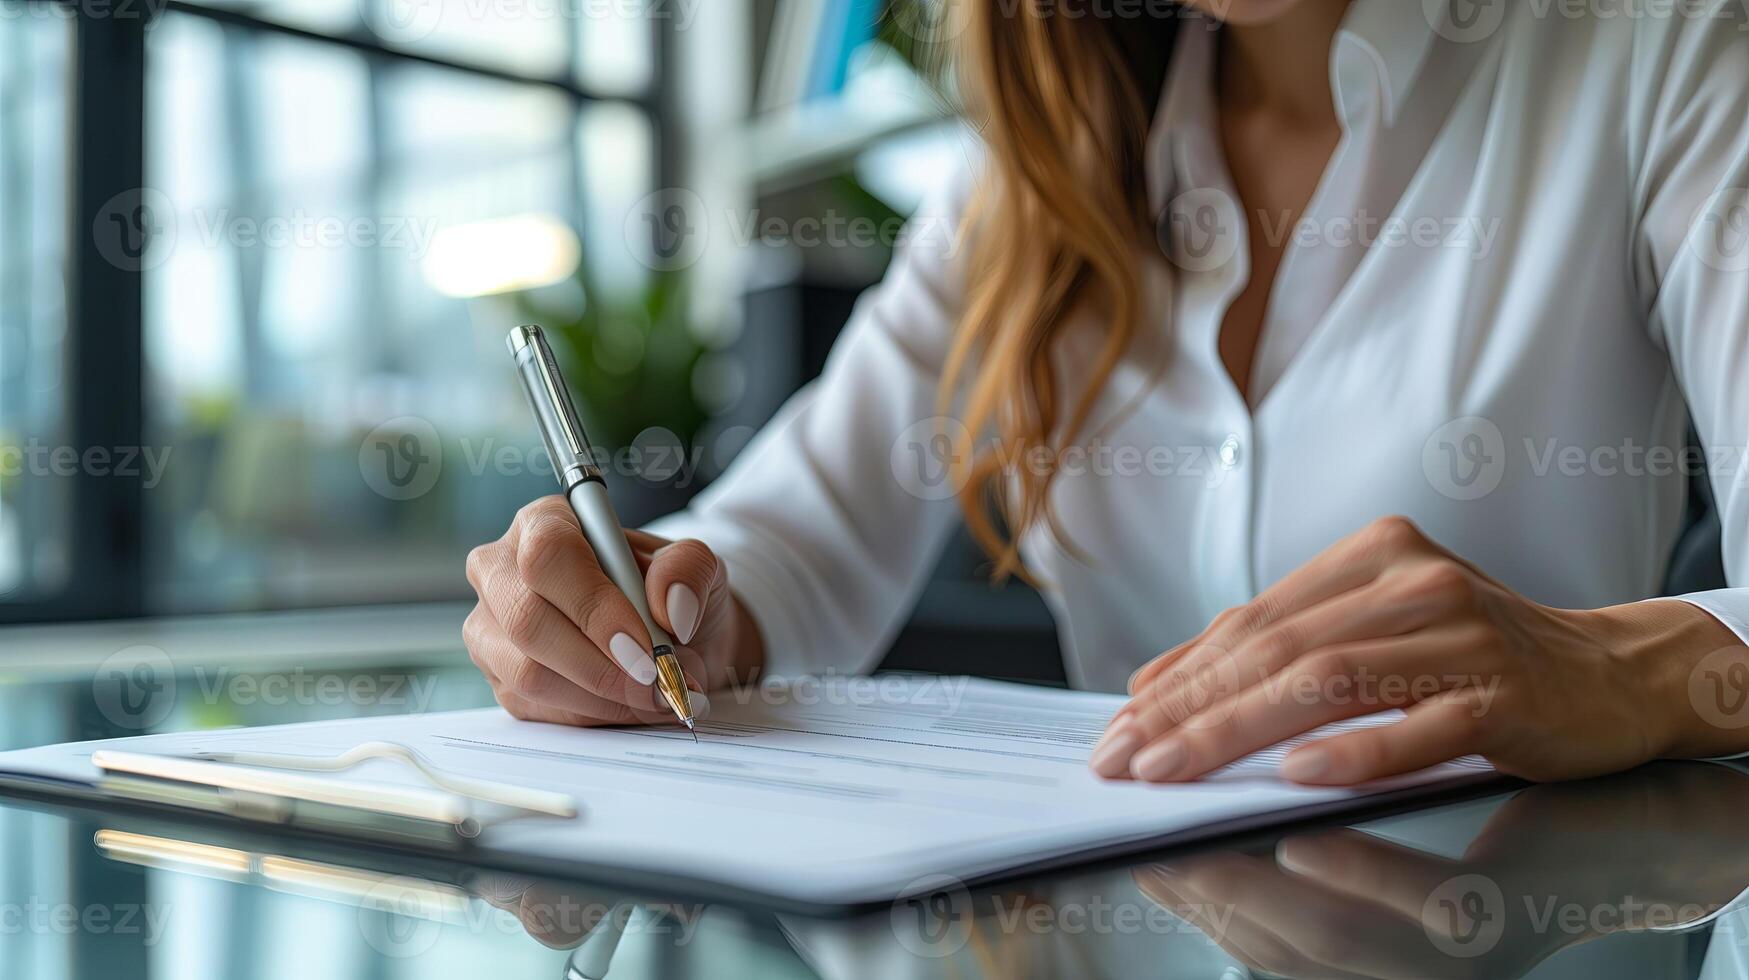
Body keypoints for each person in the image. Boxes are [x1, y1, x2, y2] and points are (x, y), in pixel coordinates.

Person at [462, 0, 1749, 786]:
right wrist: (646, 614)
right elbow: (788, 538)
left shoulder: (1659, 49)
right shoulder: (1026, 172)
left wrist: (1621, 667)